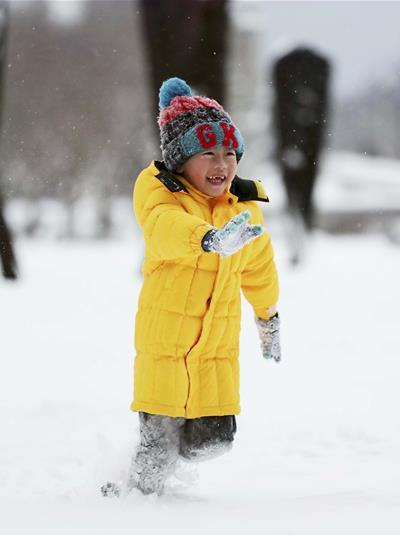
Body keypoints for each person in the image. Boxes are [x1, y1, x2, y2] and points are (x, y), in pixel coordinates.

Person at [112, 77, 281, 497]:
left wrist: (268, 316)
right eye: (207, 153)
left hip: (214, 351)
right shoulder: (161, 194)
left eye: (229, 153)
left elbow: (260, 269)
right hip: (166, 345)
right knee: (158, 443)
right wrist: (207, 238)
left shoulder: (244, 212)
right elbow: (164, 229)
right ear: (180, 160)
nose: (221, 164)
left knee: (214, 439)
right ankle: (130, 497)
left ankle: (171, 471)